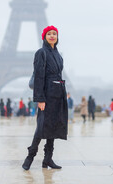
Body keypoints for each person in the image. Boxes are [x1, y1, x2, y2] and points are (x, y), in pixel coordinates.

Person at [22, 25, 68, 170]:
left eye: (54, 33)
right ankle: (30, 156)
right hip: (47, 95)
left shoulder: (58, 54)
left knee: (53, 126)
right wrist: (40, 98)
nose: (52, 36)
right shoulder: (41, 53)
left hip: (57, 95)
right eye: (49, 34)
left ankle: (48, 159)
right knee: (42, 127)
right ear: (44, 37)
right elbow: (39, 76)